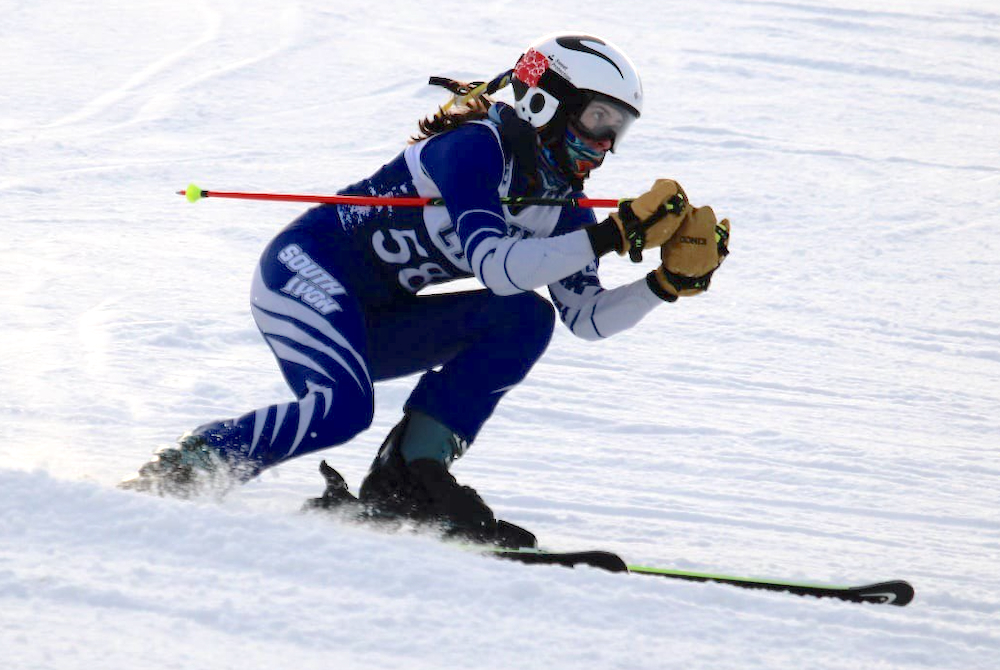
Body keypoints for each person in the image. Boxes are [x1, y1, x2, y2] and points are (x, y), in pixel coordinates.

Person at [121, 33, 730, 543]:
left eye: (618, 129)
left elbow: (588, 318)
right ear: (546, 101)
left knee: (526, 320)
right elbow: (495, 263)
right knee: (341, 410)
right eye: (599, 118)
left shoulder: (559, 202)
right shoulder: (472, 150)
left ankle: (409, 477)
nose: (605, 144)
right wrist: (611, 235)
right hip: (302, 275)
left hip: (376, 317)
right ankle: (191, 467)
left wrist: (664, 284)